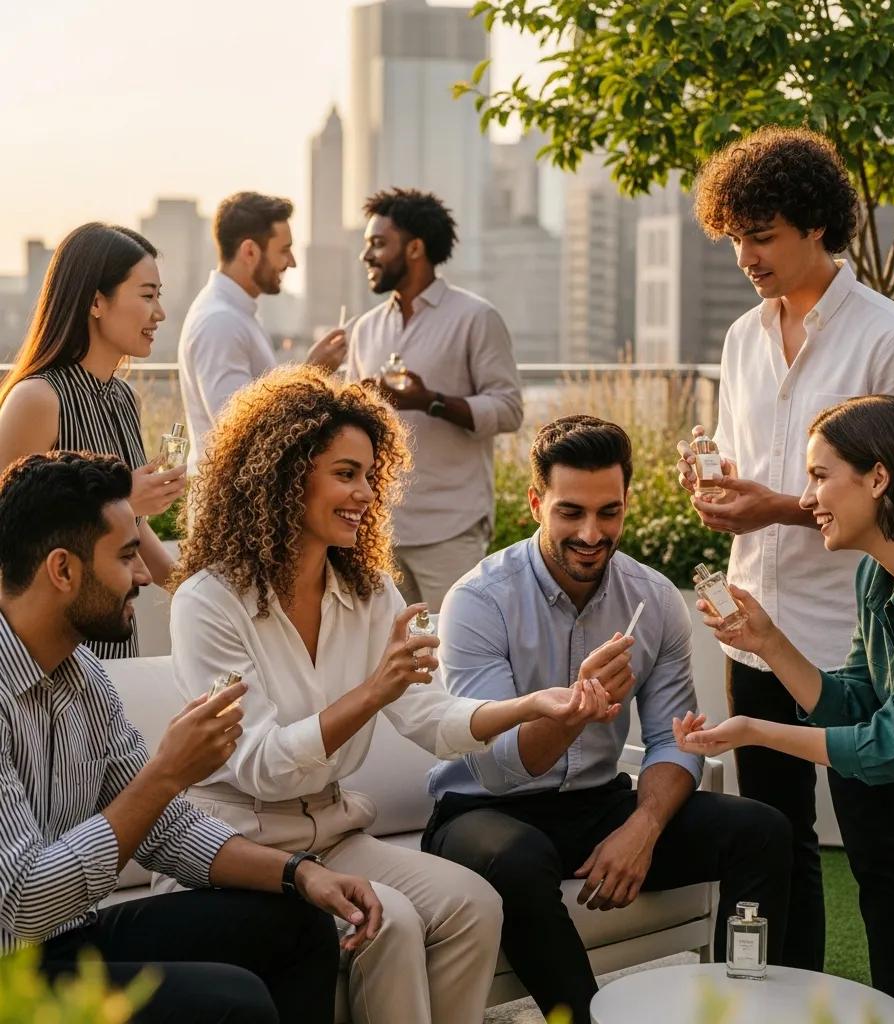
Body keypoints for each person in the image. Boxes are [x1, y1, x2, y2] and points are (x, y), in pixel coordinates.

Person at [161, 365, 615, 1024]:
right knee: (390, 921)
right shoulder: (210, 601)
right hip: (242, 839)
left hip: (333, 830)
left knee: (476, 903)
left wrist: (534, 704)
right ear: (286, 476)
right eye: (346, 474)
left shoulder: (370, 591)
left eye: (371, 476)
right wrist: (374, 691)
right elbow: (259, 763)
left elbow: (428, 716)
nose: (366, 495)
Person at [675, 125, 894, 1016]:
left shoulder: (889, 337)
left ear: (816, 226)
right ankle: (783, 1009)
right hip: (754, 628)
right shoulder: (743, 337)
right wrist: (717, 487)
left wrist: (781, 506)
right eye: (735, 236)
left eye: (763, 234)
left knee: (877, 852)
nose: (745, 255)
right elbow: (750, 462)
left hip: (856, 638)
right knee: (776, 842)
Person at [424, 414, 793, 1024]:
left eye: (608, 513)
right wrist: (572, 710)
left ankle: (739, 1013)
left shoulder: (652, 601)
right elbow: (496, 765)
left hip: (598, 804)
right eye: (570, 512)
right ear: (536, 503)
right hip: (485, 812)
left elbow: (675, 743)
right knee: (518, 859)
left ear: (626, 504)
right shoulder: (477, 601)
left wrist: (644, 826)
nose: (592, 534)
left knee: (762, 831)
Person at [0, 450, 382, 1024]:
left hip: (66, 941)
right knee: (230, 1005)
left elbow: (168, 828)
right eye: (127, 555)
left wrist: (300, 872)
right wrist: (167, 772)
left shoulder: (84, 679)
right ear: (62, 569)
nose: (146, 575)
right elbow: (24, 902)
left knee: (298, 923)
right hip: (12, 971)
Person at [676, 395, 894, 1024]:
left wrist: (756, 730)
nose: (806, 501)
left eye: (818, 476)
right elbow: (859, 702)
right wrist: (770, 644)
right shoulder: (879, 574)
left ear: (879, 477)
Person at [0, 223, 187, 658]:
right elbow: (11, 534)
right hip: (53, 650)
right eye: (147, 295)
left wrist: (202, 587)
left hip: (113, 632)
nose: (159, 312)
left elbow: (135, 529)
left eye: (158, 295)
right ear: (96, 301)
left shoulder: (123, 396)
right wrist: (126, 506)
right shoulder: (38, 399)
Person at [345, 187, 523, 612]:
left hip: (452, 529)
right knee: (389, 660)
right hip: (379, 528)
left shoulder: (475, 318)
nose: (365, 256)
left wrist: (430, 401)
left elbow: (509, 409)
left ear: (415, 248)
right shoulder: (365, 329)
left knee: (455, 656)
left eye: (378, 243)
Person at [178, 191, 347, 475]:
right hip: (230, 506)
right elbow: (239, 429)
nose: (291, 262)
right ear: (250, 252)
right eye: (283, 250)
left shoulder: (238, 314)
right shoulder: (221, 321)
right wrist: (311, 373)